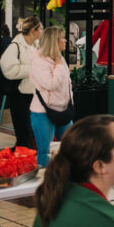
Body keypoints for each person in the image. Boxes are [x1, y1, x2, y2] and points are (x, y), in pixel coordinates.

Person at [30, 26, 74, 166]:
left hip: (63, 110)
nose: (65, 40)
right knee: (46, 151)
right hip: (43, 112)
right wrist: (60, 66)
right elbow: (51, 84)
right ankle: (44, 183)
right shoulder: (39, 61)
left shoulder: (59, 58)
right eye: (62, 37)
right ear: (54, 41)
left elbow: (66, 83)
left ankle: (65, 178)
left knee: (70, 147)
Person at [0, 16, 43, 155]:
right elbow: (9, 70)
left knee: (31, 132)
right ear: (33, 30)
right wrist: (32, 68)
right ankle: (24, 161)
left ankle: (26, 158)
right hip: (19, 95)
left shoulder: (35, 46)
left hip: (33, 94)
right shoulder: (15, 46)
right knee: (23, 133)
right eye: (40, 28)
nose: (42, 31)